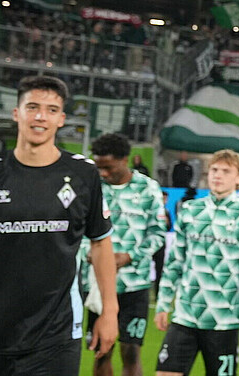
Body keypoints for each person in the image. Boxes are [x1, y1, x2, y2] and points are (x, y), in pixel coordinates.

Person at [0, 75, 118, 375]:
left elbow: (100, 242)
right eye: (32, 107)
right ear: (17, 113)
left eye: (51, 109)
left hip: (57, 335)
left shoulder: (84, 175)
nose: (41, 116)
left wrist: (110, 311)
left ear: (62, 119)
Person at [154, 149, 239, 376]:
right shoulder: (190, 210)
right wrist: (163, 302)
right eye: (215, 169)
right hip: (186, 314)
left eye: (226, 171)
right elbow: (175, 261)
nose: (218, 175)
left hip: (224, 318)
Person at [87, 132, 166, 376]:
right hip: (97, 285)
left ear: (125, 159)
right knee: (102, 351)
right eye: (99, 167)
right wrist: (89, 253)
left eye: (108, 167)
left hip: (135, 285)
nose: (103, 173)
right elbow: (77, 230)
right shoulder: (92, 187)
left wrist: (129, 256)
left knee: (131, 351)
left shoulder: (148, 189)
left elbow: (158, 234)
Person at [154, 191, 173, 297]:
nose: (164, 200)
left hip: (161, 244)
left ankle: (158, 294)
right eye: (163, 198)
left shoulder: (166, 211)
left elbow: (169, 227)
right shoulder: (154, 210)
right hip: (150, 243)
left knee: (160, 269)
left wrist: (167, 223)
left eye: (166, 199)